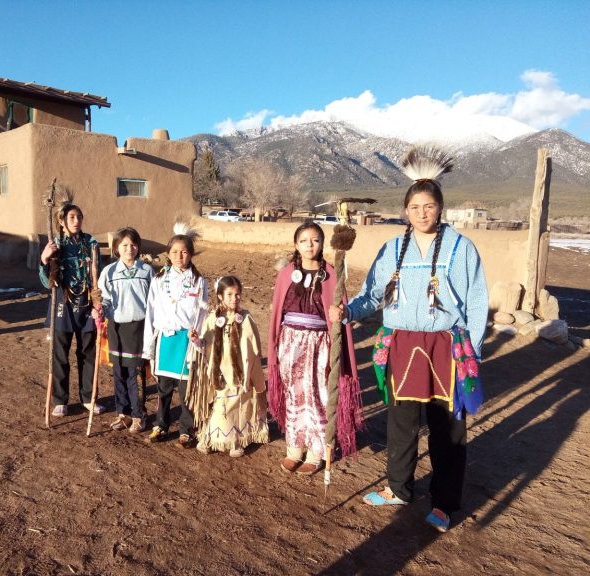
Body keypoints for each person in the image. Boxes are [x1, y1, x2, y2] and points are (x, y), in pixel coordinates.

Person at [330, 147, 488, 533]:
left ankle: (445, 502)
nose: (422, 212)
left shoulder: (461, 248)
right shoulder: (393, 250)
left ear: (440, 208)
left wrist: (473, 352)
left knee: (446, 429)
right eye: (415, 206)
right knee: (401, 425)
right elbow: (372, 295)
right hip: (401, 345)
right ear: (405, 211)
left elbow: (477, 301)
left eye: (429, 206)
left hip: (444, 347)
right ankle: (399, 488)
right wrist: (347, 311)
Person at [267, 222, 357, 475]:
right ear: (296, 244)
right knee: (294, 392)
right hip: (290, 341)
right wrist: (275, 345)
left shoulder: (332, 274)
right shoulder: (286, 274)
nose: (310, 245)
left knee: (318, 394)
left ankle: (317, 449)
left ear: (322, 243)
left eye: (315, 240)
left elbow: (339, 312)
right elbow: (276, 312)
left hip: (319, 343)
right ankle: (294, 447)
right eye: (304, 240)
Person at [142, 226, 209, 448]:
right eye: (174, 252)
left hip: (186, 341)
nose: (179, 257)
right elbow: (151, 310)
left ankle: (186, 429)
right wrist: (148, 342)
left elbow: (203, 312)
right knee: (164, 386)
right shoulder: (159, 279)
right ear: (168, 254)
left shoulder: (199, 281)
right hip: (166, 339)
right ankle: (161, 425)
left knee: (186, 388)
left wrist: (198, 335)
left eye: (184, 252)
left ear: (191, 254)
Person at [39, 203, 106, 417]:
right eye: (72, 217)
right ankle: (60, 400)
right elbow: (45, 282)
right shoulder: (55, 245)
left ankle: (89, 397)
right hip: (62, 306)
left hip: (87, 306)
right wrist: (44, 258)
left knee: (88, 353)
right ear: (62, 221)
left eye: (79, 217)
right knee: (60, 355)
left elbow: (99, 274)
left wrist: (98, 301)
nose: (77, 221)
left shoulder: (91, 243)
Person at [191, 276, 268, 457]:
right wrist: (196, 340)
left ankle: (237, 441)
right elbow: (205, 345)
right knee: (220, 408)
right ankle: (209, 437)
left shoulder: (246, 318)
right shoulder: (212, 319)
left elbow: (254, 346)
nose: (235, 298)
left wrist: (251, 369)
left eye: (238, 294)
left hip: (241, 374)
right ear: (220, 296)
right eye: (230, 294)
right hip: (220, 375)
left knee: (241, 407)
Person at [98, 227, 154, 433]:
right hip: (116, 327)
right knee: (119, 371)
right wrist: (99, 309)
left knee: (135, 373)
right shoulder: (109, 272)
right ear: (116, 249)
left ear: (138, 247)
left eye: (133, 244)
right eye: (124, 245)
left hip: (139, 327)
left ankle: (139, 414)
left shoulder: (147, 271)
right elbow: (104, 299)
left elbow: (153, 300)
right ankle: (123, 413)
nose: (129, 249)